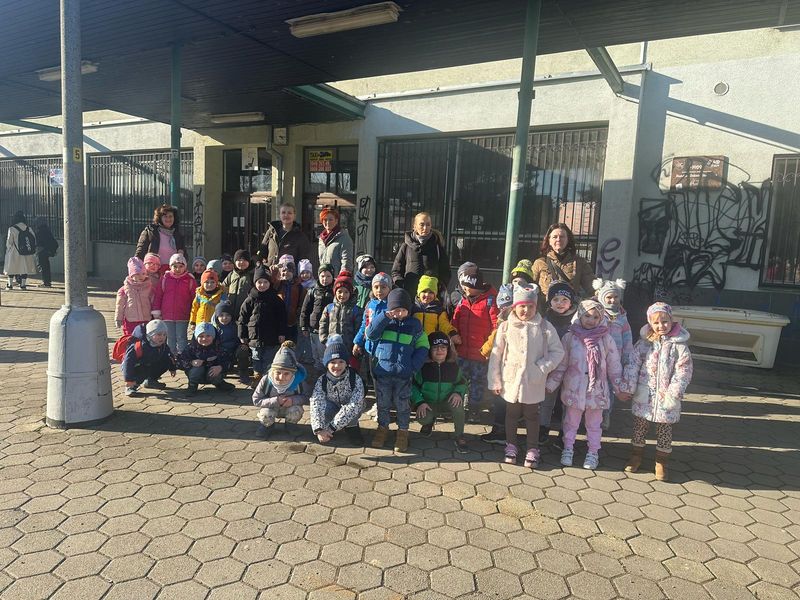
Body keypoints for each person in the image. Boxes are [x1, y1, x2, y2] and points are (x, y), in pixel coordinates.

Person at [488, 284, 565, 469]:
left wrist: (543, 367)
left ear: (536, 307)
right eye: (522, 306)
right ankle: (511, 445)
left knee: (532, 415)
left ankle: (532, 448)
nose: (526, 310)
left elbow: (558, 351)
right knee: (512, 414)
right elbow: (496, 355)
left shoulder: (545, 327)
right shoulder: (506, 327)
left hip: (533, 381)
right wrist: (495, 380)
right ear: (515, 306)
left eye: (531, 306)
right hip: (511, 380)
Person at [546, 299, 625, 470]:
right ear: (580, 315)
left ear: (601, 319)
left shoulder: (606, 339)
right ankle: (568, 448)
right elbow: (562, 364)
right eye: (587, 316)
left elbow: (614, 366)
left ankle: (593, 452)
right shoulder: (570, 338)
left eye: (596, 317)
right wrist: (552, 383)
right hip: (574, 389)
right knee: (570, 422)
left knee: (594, 425)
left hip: (596, 391)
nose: (591, 320)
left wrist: (619, 388)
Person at [620, 302, 693, 482]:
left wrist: (674, 393)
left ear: (671, 320)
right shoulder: (644, 343)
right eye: (656, 323)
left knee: (664, 430)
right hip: (644, 394)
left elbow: (683, 371)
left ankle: (661, 462)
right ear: (650, 323)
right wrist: (628, 387)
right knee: (639, 427)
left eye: (665, 321)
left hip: (666, 397)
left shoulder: (679, 346)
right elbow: (633, 365)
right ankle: (636, 455)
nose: (661, 326)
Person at [366, 288, 429, 452]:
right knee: (383, 403)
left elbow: (423, 346)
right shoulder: (384, 321)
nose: (399, 314)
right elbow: (370, 334)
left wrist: (413, 366)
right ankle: (382, 429)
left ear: (408, 309)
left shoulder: (415, 325)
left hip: (404, 375)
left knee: (403, 405)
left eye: (403, 310)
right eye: (395, 310)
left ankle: (403, 432)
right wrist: (384, 317)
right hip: (383, 373)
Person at [451, 263, 498, 417]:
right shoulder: (463, 301)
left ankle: (474, 409)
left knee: (478, 383)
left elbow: (496, 326)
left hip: (480, 354)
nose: (463, 289)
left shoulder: (490, 301)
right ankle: (458, 407)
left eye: (466, 286)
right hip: (463, 352)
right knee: (460, 380)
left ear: (474, 285)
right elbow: (455, 321)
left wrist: (488, 347)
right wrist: (454, 334)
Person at [412, 332, 469, 453]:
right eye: (435, 348)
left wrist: (458, 393)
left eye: (443, 347)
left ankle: (459, 436)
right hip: (428, 404)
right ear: (429, 350)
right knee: (423, 418)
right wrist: (419, 402)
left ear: (448, 350)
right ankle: (428, 422)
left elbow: (462, 382)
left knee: (458, 406)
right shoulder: (422, 368)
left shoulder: (453, 367)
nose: (439, 350)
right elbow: (413, 386)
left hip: (446, 402)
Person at [539, 282, 577, 448]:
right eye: (555, 299)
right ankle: (542, 428)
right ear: (550, 302)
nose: (560, 303)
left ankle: (565, 432)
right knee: (547, 399)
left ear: (571, 302)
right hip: (550, 366)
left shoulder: (577, 321)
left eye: (564, 300)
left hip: (570, 368)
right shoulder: (545, 319)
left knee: (567, 402)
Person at [592, 278, 634, 431]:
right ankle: (591, 412)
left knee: (610, 388)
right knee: (596, 385)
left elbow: (627, 338)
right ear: (601, 297)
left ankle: (606, 414)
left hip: (615, 359)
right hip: (597, 358)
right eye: (609, 297)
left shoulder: (622, 317)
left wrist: (627, 356)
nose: (612, 300)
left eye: (615, 297)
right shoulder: (595, 314)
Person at [309, 335, 366, 445]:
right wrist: (318, 429)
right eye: (332, 362)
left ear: (346, 363)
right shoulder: (322, 380)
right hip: (332, 406)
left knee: (354, 409)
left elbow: (354, 405)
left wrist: (332, 428)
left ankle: (351, 427)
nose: (337, 365)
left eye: (341, 362)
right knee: (323, 409)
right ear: (326, 364)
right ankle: (324, 429)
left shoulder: (355, 378)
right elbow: (316, 403)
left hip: (350, 408)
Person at [238, 265, 288, 387]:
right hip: (254, 336)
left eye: (265, 282)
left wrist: (282, 333)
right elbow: (242, 318)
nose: (262, 285)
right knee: (256, 358)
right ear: (255, 283)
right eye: (259, 282)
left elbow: (282, 318)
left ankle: (267, 378)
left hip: (271, 336)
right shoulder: (250, 299)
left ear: (270, 283)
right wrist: (242, 335)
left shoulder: (275, 299)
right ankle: (257, 377)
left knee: (269, 358)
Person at [478, 283, 514, 445]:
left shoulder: (504, 323)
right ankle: (507, 432)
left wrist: (483, 351)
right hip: (509, 369)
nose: (503, 310)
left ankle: (501, 432)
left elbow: (492, 342)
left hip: (504, 369)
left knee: (501, 403)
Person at [252, 341, 307, 438]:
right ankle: (268, 426)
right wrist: (276, 400)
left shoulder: (299, 381)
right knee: (265, 413)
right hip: (271, 408)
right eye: (278, 372)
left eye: (286, 374)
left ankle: (290, 425)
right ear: (272, 371)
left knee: (296, 410)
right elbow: (256, 400)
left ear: (293, 373)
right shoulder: (266, 380)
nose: (281, 377)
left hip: (290, 407)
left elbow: (306, 397)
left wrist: (293, 400)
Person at [531, 222, 595, 303]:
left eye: (562, 236)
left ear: (568, 239)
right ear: (549, 240)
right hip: (547, 307)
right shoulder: (540, 263)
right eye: (555, 237)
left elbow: (591, 285)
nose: (558, 239)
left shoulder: (579, 262)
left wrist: (601, 294)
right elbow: (530, 286)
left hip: (570, 307)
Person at [391, 212, 451, 297]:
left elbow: (446, 271)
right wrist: (402, 286)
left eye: (428, 224)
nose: (425, 228)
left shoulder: (437, 246)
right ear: (415, 226)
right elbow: (396, 270)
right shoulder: (406, 246)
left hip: (430, 297)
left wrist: (439, 287)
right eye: (422, 224)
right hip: (410, 295)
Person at [152, 253, 196, 354]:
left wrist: (193, 314)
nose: (178, 269)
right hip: (167, 315)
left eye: (181, 266)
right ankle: (171, 356)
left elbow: (194, 298)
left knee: (182, 337)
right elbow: (158, 296)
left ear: (185, 267)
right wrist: (156, 310)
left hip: (183, 315)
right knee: (170, 338)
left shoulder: (190, 280)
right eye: (175, 266)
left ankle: (183, 357)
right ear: (170, 266)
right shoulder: (165, 279)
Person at [177, 322, 234, 396]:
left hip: (213, 375)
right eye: (201, 336)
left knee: (215, 370)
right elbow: (180, 362)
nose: (204, 339)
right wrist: (191, 362)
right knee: (197, 369)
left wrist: (221, 367)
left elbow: (230, 361)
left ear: (213, 336)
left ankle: (219, 383)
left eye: (208, 336)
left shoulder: (219, 348)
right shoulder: (191, 348)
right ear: (196, 337)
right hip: (196, 375)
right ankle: (192, 386)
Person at [121, 320, 176, 396]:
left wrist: (172, 368)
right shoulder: (138, 346)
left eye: (164, 335)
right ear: (150, 334)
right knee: (144, 371)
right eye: (159, 334)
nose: (162, 337)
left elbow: (169, 355)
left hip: (148, 363)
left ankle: (150, 381)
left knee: (166, 361)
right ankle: (131, 387)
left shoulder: (162, 345)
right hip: (134, 366)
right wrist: (128, 379)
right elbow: (128, 363)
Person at [299, 264, 335, 373]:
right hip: (314, 328)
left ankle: (327, 372)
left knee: (325, 353)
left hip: (329, 328)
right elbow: (305, 310)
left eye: (328, 276)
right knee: (315, 353)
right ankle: (318, 372)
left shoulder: (335, 290)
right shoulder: (313, 291)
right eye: (322, 276)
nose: (325, 279)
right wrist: (304, 326)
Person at [257, 202, 314, 267]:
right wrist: (260, 267)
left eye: (289, 213)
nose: (286, 215)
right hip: (269, 271)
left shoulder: (300, 236)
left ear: (294, 216)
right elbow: (262, 253)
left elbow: (304, 260)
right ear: (279, 215)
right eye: (283, 212)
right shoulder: (271, 232)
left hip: (289, 272)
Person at [318, 272, 362, 353]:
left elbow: (358, 328)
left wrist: (356, 343)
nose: (342, 295)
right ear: (335, 292)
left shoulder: (355, 310)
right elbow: (323, 324)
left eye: (346, 292)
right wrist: (324, 339)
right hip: (331, 345)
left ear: (350, 293)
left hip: (349, 347)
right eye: (339, 292)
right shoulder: (329, 308)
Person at [213, 301, 250, 384]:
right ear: (217, 316)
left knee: (243, 350)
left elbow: (241, 338)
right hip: (221, 352)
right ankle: (224, 369)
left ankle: (243, 371)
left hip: (234, 350)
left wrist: (243, 344)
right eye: (221, 315)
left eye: (228, 315)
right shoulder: (214, 328)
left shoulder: (236, 326)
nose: (224, 318)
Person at [115, 257, 153, 336]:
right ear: (131, 275)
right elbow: (120, 305)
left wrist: (156, 314)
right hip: (131, 319)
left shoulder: (149, 287)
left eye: (143, 274)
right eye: (137, 274)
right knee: (131, 337)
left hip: (146, 318)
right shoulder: (124, 289)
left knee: (145, 337)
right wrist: (118, 318)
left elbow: (153, 301)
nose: (141, 276)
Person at [414, 274, 458, 338]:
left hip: (431, 340)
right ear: (419, 293)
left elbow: (444, 324)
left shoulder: (439, 310)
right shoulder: (413, 307)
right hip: (415, 340)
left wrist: (452, 332)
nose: (427, 295)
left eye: (431, 292)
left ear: (435, 295)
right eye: (424, 291)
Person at [274, 254, 307, 342]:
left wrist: (296, 315)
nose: (286, 273)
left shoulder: (299, 287)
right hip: (278, 322)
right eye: (283, 271)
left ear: (293, 272)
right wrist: (275, 269)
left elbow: (302, 304)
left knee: (291, 344)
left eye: (289, 271)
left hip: (292, 322)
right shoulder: (278, 285)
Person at [4, 211, 37, 290]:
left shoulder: (12, 229)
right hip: (26, 252)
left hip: (14, 252)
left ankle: (10, 285)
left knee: (11, 268)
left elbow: (9, 242)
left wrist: (8, 250)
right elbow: (34, 240)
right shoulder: (29, 228)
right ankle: (23, 285)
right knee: (24, 268)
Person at [317, 207, 354, 275]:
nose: (328, 222)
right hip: (324, 278)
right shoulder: (321, 239)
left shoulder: (344, 237)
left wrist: (342, 277)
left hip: (338, 278)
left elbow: (346, 261)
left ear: (336, 221)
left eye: (330, 219)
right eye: (325, 219)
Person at [222, 249, 254, 320]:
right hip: (231, 311)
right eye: (239, 260)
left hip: (247, 311)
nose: (242, 262)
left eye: (244, 260)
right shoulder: (232, 274)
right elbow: (222, 287)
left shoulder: (252, 275)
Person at [34, 217, 58, 288]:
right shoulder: (47, 230)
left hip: (42, 251)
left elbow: (38, 242)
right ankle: (47, 282)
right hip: (46, 250)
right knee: (46, 266)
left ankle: (46, 282)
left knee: (43, 266)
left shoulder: (40, 231)